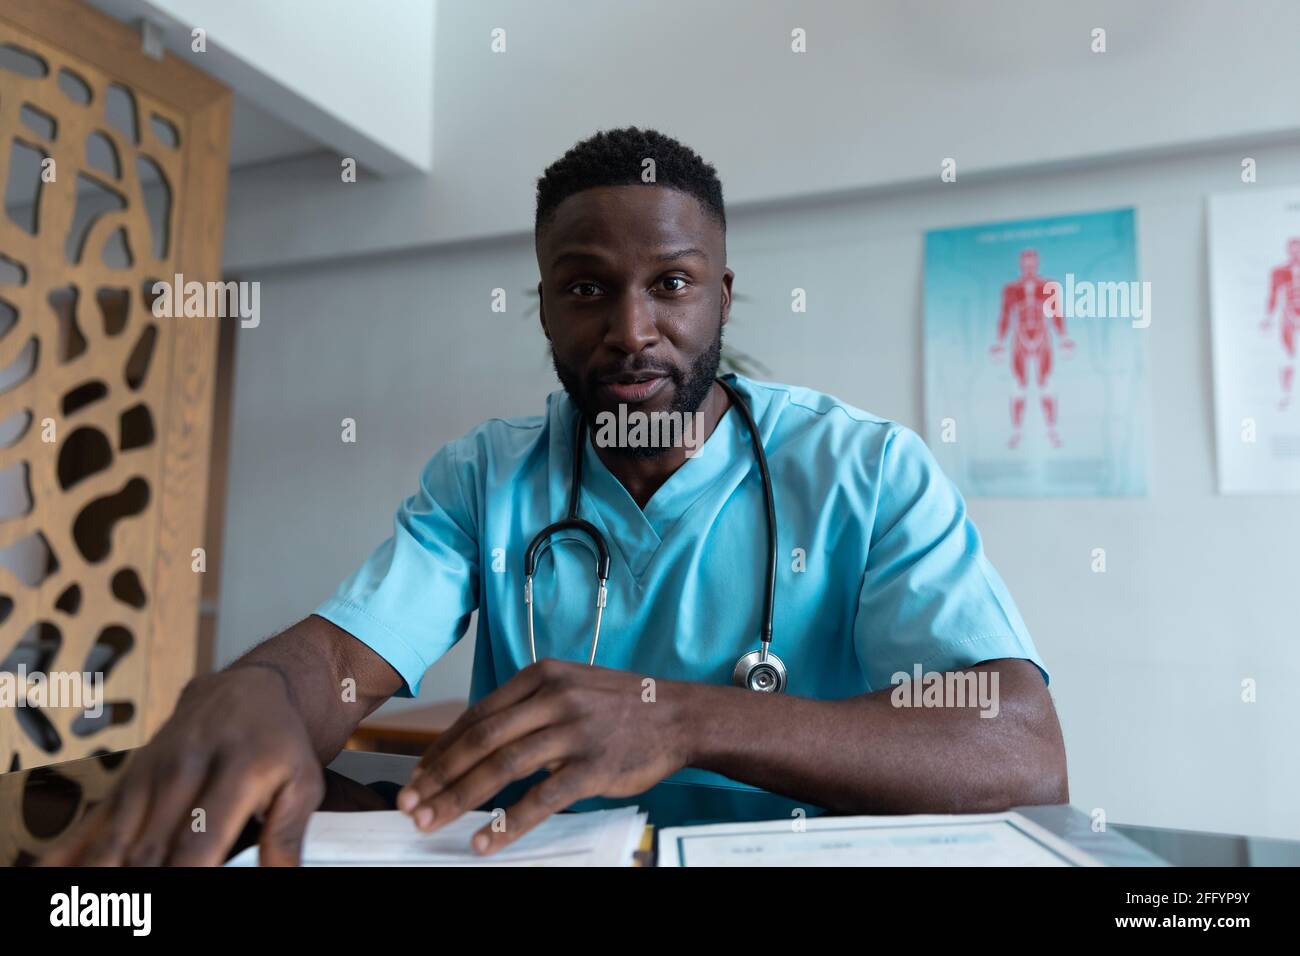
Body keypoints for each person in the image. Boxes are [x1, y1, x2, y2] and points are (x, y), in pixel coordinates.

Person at [43, 127, 1067, 866]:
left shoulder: (864, 469)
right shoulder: (486, 477)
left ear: (722, 293)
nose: (630, 327)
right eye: (585, 287)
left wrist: (684, 721)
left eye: (671, 282)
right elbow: (335, 659)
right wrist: (256, 691)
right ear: (542, 301)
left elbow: (1018, 748)